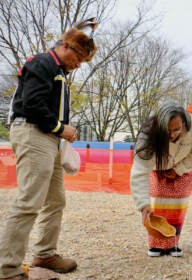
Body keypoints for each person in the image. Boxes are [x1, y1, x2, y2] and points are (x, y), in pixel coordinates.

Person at [0, 19, 98, 280]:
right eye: (79, 57)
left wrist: (61, 130)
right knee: (29, 201)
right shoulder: (42, 63)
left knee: (55, 200)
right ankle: (7, 269)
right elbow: (32, 105)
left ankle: (44, 253)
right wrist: (60, 128)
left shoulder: (57, 70)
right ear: (66, 46)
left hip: (48, 136)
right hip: (34, 132)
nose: (79, 64)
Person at [130, 101, 192, 257]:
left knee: (178, 207)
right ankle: (155, 245)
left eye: (177, 129)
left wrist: (179, 169)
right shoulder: (148, 134)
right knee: (157, 204)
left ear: (184, 124)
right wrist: (143, 205)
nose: (172, 135)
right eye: (167, 130)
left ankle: (173, 243)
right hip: (158, 168)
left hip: (184, 166)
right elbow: (140, 170)